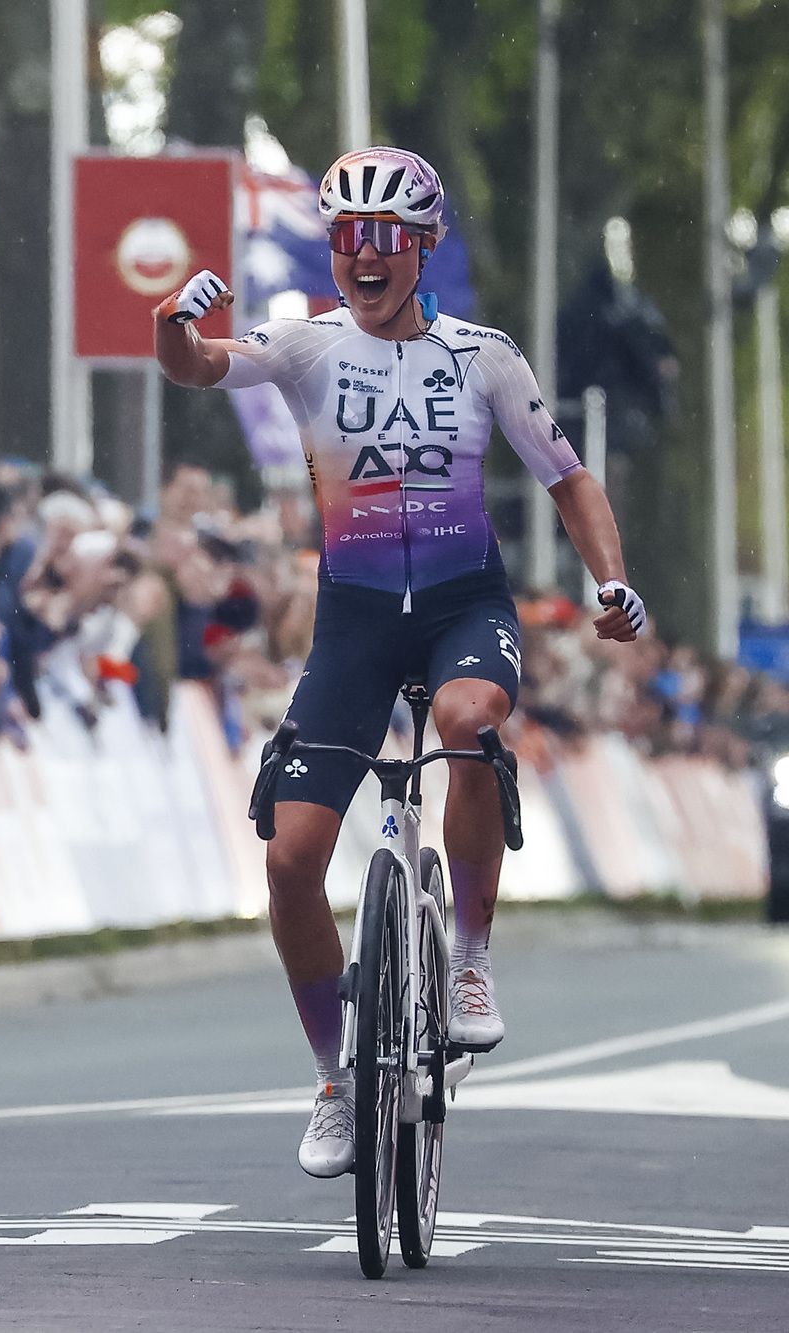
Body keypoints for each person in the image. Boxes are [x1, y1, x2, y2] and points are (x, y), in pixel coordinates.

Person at [153, 146, 648, 1178]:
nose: (361, 257)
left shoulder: (483, 355)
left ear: (420, 248)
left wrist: (608, 580)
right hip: (356, 619)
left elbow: (565, 477)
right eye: (345, 238)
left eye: (383, 239)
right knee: (289, 860)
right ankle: (336, 1080)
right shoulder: (303, 345)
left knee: (468, 721)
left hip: (464, 606)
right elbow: (199, 367)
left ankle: (467, 960)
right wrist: (170, 327)